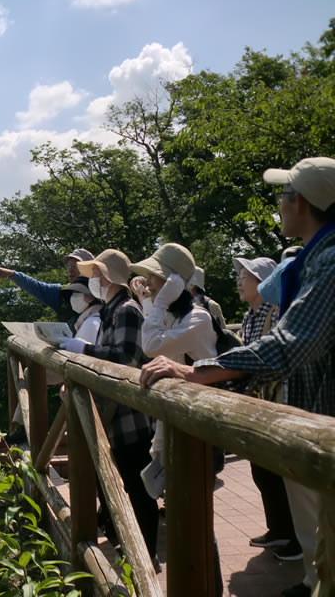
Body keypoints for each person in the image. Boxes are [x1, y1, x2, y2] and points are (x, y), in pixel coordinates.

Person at [140, 156, 335, 597]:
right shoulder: (316, 258)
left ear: (301, 202)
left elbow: (291, 343)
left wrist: (194, 371)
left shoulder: (330, 261)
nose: (280, 204)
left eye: (284, 195)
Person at [130, 242, 222, 595]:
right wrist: (156, 303)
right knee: (188, 522)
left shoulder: (196, 318)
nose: (147, 284)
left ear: (171, 282)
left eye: (154, 279)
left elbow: (150, 346)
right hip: (179, 433)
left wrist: (160, 302)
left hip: (200, 435)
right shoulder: (175, 315)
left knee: (197, 525)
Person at [60, 249, 160, 566]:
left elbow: (127, 357)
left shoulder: (126, 310)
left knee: (139, 490)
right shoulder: (111, 310)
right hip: (118, 416)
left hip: (130, 418)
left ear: (106, 277)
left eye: (96, 275)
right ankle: (134, 549)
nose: (93, 281)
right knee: (126, 484)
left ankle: (147, 554)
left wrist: (85, 349)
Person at [233, 255, 303, 561]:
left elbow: (268, 357)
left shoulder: (274, 314)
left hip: (277, 401)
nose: (239, 281)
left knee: (281, 473)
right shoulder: (250, 317)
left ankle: (293, 538)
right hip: (260, 401)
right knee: (262, 471)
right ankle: (279, 529)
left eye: (245, 276)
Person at [4, 276, 102, 444]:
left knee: (34, 375)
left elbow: (82, 352)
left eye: (78, 293)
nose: (74, 298)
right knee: (32, 374)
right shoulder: (89, 316)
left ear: (90, 296)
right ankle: (25, 427)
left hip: (78, 371)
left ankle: (28, 429)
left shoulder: (92, 320)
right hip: (76, 369)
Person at [0, 248, 94, 333]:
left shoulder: (101, 294)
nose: (70, 270)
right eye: (68, 266)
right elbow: (36, 286)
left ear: (89, 269)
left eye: (76, 266)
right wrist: (12, 274)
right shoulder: (61, 293)